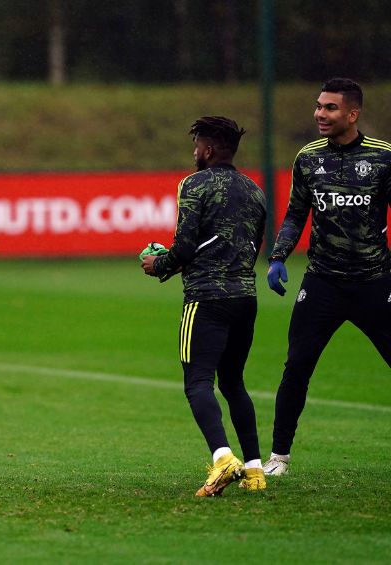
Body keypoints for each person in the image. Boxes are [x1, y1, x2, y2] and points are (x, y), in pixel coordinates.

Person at [263, 78, 391, 476]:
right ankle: (279, 457)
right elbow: (296, 213)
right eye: (319, 106)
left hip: (374, 281)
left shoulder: (384, 157)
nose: (320, 113)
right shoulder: (308, 158)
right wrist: (279, 256)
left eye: (330, 108)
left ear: (353, 114)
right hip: (322, 282)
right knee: (297, 367)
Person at [141, 116, 267, 496]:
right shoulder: (255, 190)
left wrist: (157, 265)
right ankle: (256, 471)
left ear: (208, 150)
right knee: (234, 384)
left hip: (206, 299)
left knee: (197, 383)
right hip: (245, 297)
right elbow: (249, 244)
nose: (194, 151)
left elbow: (182, 247)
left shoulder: (193, 184)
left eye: (197, 145)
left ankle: (224, 458)